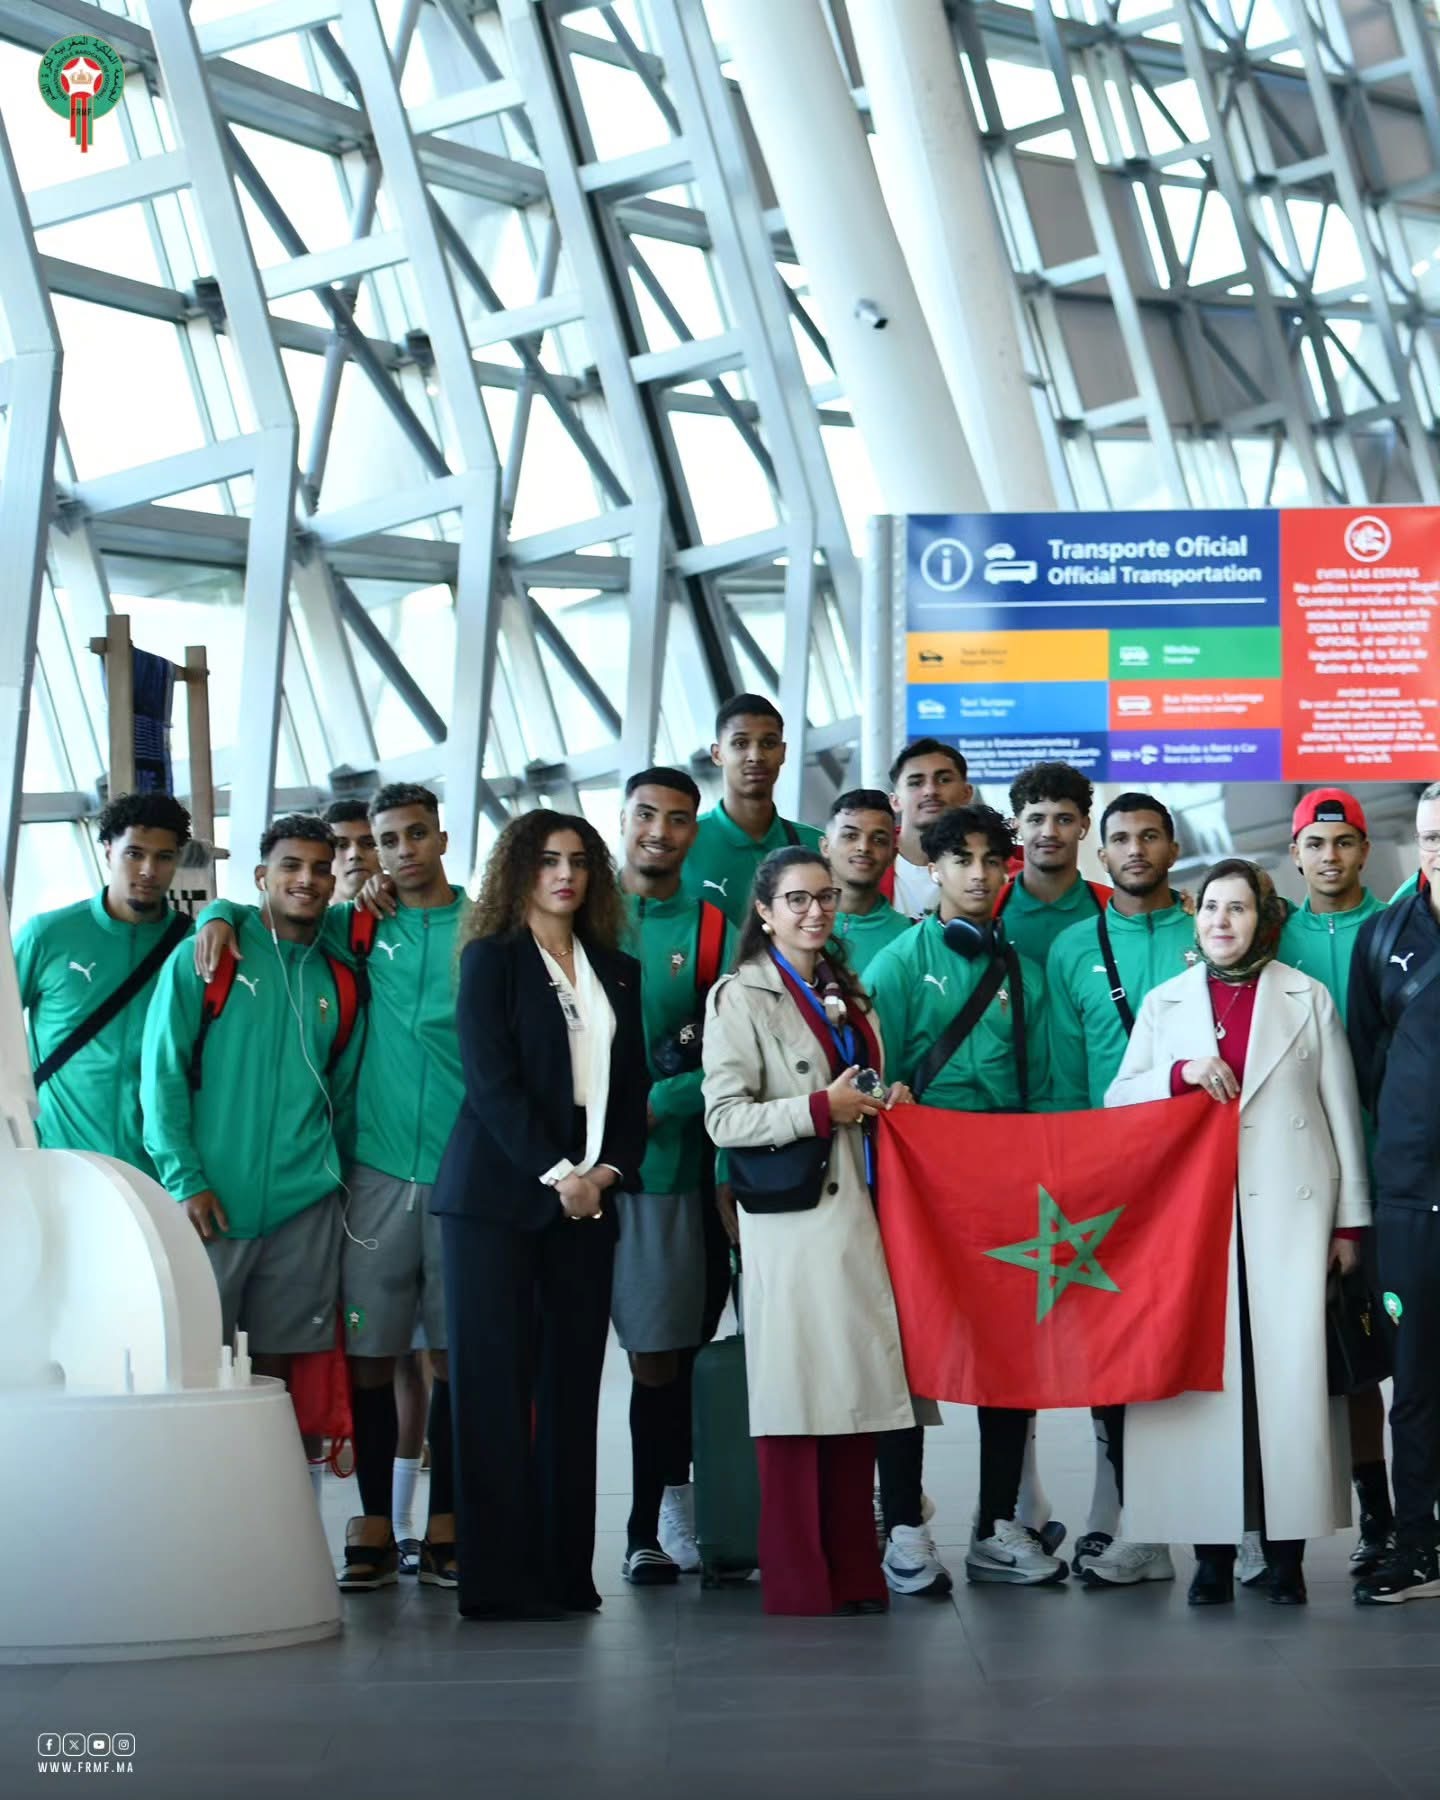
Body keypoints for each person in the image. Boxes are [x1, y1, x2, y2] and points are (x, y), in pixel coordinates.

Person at [191, 784, 468, 1590]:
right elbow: (277, 921)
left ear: (442, 837)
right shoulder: (356, 926)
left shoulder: (483, 925)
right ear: (373, 851)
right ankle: (375, 1522)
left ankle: (446, 1518)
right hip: (373, 1174)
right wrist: (220, 915)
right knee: (372, 1355)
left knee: (452, 1356)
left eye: (417, 833)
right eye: (388, 839)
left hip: (460, 1171)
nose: (404, 849)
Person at [1106, 858, 1369, 1606]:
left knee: (1288, 1390)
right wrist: (1181, 1072)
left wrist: (1351, 1222)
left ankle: (1284, 1558)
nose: (1224, 921)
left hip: (1292, 1213)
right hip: (1194, 1223)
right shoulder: (1166, 1003)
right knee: (1202, 1391)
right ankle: (1212, 1557)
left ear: (1263, 918)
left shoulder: (1305, 996)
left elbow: (1342, 1114)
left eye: (1239, 909)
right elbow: (1120, 1097)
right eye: (1213, 908)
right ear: (1196, 916)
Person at [433, 811, 647, 1621]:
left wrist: (603, 1175)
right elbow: (491, 1086)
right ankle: (497, 1582)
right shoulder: (490, 960)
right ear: (518, 871)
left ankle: (565, 1573)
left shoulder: (616, 970)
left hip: (590, 1199)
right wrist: (560, 1174)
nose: (566, 874)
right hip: (494, 1198)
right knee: (492, 1386)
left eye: (580, 861)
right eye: (548, 860)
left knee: (570, 1390)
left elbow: (628, 1095)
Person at [702, 846, 915, 1615]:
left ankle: (855, 1570)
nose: (815, 911)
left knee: (852, 1392)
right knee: (797, 1399)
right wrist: (823, 1109)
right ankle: (800, 1578)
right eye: (796, 899)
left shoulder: (845, 989)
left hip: (859, 1209)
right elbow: (723, 1117)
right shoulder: (742, 996)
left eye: (824, 897)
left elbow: (848, 1089)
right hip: (794, 1220)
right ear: (763, 912)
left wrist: (881, 1097)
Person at [866, 805, 1064, 1589]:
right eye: (961, 860)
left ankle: (996, 1526)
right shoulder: (899, 962)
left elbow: (1050, 1092)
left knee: (1006, 1356)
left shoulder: (1029, 973)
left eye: (991, 860)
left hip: (1007, 1186)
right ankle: (904, 1529)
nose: (979, 875)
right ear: (934, 870)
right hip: (919, 1189)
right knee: (908, 1356)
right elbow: (869, 1072)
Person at [140, 815, 363, 1504]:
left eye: (320, 868)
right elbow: (162, 1075)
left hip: (305, 1207)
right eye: (290, 866)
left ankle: (281, 1515)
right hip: (212, 1203)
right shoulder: (209, 959)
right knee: (198, 1363)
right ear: (263, 877)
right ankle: (191, 1510)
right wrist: (186, 1178)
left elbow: (345, 1097)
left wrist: (336, 1188)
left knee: (283, 1367)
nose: (306, 879)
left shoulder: (341, 977)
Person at [1044, 791, 1195, 1587]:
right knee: (1116, 1355)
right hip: (1107, 1178)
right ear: (1100, 855)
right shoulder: (1073, 947)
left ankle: (1218, 1519)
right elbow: (1067, 1076)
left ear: (1173, 844)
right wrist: (1068, 1177)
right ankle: (1128, 1518)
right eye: (1121, 840)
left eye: (1149, 836)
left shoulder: (1208, 928)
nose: (1135, 849)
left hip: (1198, 1177)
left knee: (1203, 1344)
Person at [612, 767, 736, 1586]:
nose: (661, 830)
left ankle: (659, 1513)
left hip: (669, 1172)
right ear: (621, 820)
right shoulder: (573, 910)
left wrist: (658, 1101)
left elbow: (731, 1052)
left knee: (668, 1356)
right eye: (646, 815)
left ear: (696, 832)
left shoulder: (713, 926)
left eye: (679, 818)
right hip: (568, 1172)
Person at [1278, 788, 1391, 1581]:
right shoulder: (1267, 935)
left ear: (1364, 851)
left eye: (1344, 843)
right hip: (1300, 1184)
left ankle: (1407, 1508)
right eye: (1315, 845)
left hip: (1396, 1171)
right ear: (1295, 855)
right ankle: (1370, 1514)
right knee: (1341, 1361)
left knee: (1406, 1358)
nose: (1330, 857)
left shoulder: (1399, 931)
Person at [1349, 782, 1440, 1603]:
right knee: (1412, 1383)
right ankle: (1420, 1541)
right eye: (1433, 837)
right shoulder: (1383, 940)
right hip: (1411, 1202)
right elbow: (1366, 1067)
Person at [15, 792, 193, 1179]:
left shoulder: (190, 945)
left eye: (164, 857)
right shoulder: (48, 936)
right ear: (108, 851)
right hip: (60, 1163)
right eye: (135, 853)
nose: (148, 869)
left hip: (157, 1172)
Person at [680, 694, 822, 925]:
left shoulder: (816, 845)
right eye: (740, 743)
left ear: (783, 752)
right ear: (717, 754)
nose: (755, 756)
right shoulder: (684, 845)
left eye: (768, 743)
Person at [997, 762, 1110, 968]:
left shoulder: (1114, 907)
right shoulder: (989, 910)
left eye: (1064, 820)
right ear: (1017, 827)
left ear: (1083, 826)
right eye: (1036, 819)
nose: (1049, 832)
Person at [821, 787, 913, 973]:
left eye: (878, 840)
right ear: (825, 847)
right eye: (850, 836)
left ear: (892, 855)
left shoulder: (910, 938)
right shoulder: (795, 924)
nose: (863, 847)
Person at [885, 740, 973, 920]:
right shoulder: (864, 867)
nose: (930, 791)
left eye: (944, 780)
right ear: (895, 801)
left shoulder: (1005, 873)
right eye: (916, 783)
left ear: (967, 793)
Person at [322, 799, 380, 903]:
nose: (355, 854)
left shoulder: (415, 911)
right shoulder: (310, 918)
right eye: (341, 845)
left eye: (369, 844)